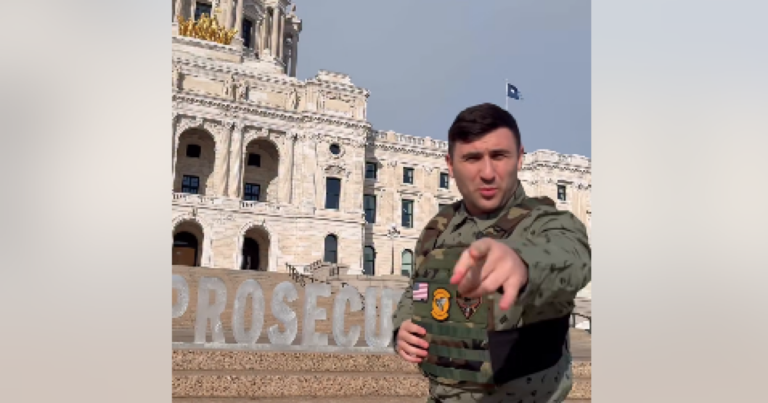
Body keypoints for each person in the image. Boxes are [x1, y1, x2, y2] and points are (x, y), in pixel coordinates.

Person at [391, 103, 591, 403]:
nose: (487, 173)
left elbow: (573, 259)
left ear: (519, 158)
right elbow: (418, 290)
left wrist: (522, 264)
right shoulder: (438, 228)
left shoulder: (549, 223)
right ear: (450, 165)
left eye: (499, 156)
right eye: (472, 158)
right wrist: (402, 327)